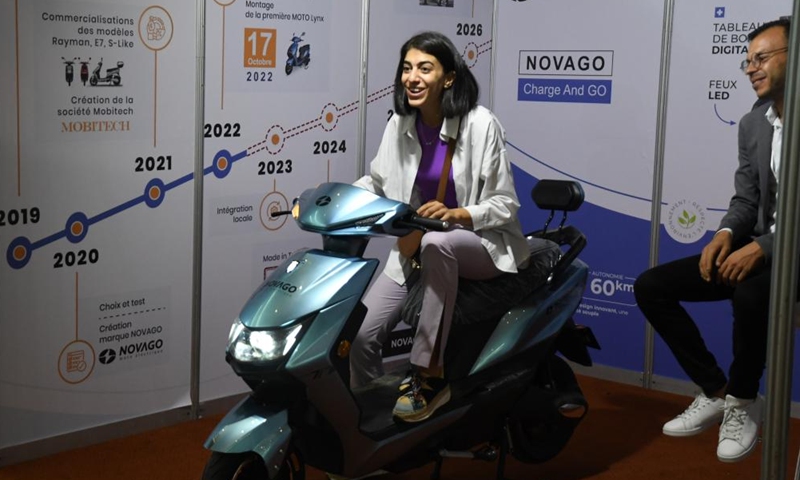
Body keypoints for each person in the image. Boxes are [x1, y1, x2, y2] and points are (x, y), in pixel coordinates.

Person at [633, 17, 794, 463]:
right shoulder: (753, 123)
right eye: (748, 61)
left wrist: (764, 247)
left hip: (792, 260)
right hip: (758, 251)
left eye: (762, 58)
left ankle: (744, 401)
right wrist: (725, 233)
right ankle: (718, 392)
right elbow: (747, 199)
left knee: (749, 293)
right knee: (652, 286)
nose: (751, 69)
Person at [350, 31, 530, 422]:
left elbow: (505, 204)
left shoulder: (481, 124)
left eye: (424, 68)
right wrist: (338, 199)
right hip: (413, 249)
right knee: (362, 338)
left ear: (448, 77)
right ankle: (366, 425)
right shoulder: (399, 123)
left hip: (479, 244)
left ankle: (429, 377)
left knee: (438, 243)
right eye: (407, 67)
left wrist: (459, 214)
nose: (412, 77)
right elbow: (377, 182)